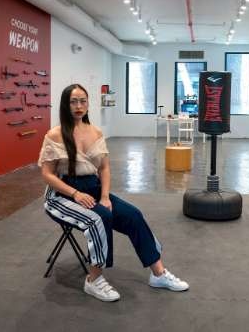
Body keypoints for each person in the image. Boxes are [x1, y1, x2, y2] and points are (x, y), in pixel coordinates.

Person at [38, 84, 189, 302]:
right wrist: (75, 194)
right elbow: (47, 174)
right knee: (99, 218)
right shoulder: (55, 134)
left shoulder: (95, 132)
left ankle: (158, 273)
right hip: (62, 195)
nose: (79, 106)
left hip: (94, 188)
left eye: (83, 101)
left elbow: (104, 168)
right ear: (65, 104)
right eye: (73, 101)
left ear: (88, 103)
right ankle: (94, 280)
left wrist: (105, 196)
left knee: (133, 216)